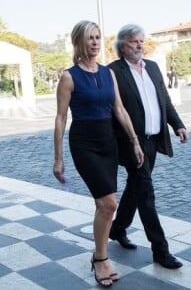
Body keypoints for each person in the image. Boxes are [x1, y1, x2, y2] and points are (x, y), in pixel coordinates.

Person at [53, 20, 144, 288]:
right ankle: (100, 259)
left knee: (103, 205)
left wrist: (134, 141)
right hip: (84, 144)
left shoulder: (108, 73)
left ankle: (99, 252)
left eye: (98, 37)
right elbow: (60, 118)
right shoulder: (69, 77)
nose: (95, 42)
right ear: (79, 42)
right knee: (109, 204)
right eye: (90, 38)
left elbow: (119, 109)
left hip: (108, 142)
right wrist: (58, 159)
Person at [108, 24, 189, 269]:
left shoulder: (152, 67)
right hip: (132, 144)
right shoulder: (113, 71)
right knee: (146, 194)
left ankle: (117, 228)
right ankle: (160, 250)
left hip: (153, 141)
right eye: (134, 42)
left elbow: (163, 99)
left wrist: (177, 124)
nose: (140, 45)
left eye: (142, 41)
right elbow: (113, 109)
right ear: (123, 46)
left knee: (135, 187)